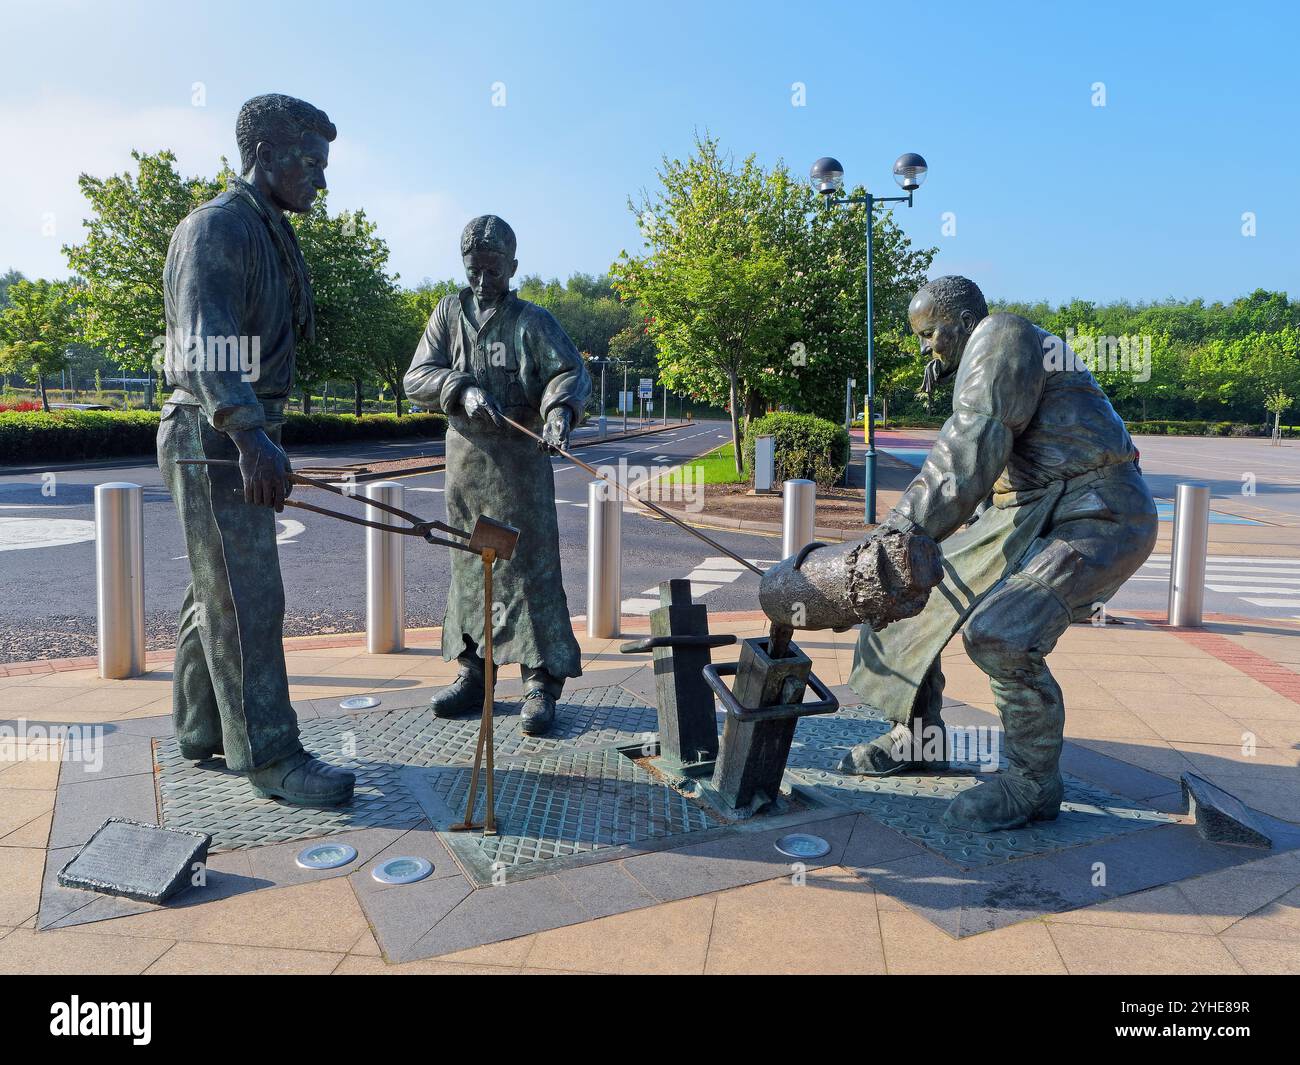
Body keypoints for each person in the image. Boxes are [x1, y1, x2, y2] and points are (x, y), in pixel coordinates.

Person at [842, 275, 1157, 832]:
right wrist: (902, 551)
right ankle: (919, 739)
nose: (926, 348)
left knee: (1001, 632)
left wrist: (895, 530)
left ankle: (1032, 783)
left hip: (1096, 513)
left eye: (931, 333)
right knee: (903, 600)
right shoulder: (985, 355)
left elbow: (970, 450)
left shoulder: (1001, 335)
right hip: (1024, 513)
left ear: (964, 321)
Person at [156, 94, 354, 806]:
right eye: (312, 163)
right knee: (248, 595)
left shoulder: (268, 229)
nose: (321, 183)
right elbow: (204, 341)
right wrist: (247, 433)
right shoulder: (219, 227)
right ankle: (268, 753)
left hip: (237, 425)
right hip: (214, 428)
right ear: (266, 155)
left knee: (214, 585)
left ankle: (199, 724)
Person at [403, 215, 591, 735]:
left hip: (520, 470)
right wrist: (459, 388)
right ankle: (474, 670)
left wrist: (558, 411)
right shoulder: (447, 313)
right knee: (473, 568)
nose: (483, 279)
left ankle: (540, 679)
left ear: (512, 267)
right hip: (467, 468)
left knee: (528, 569)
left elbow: (569, 371)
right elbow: (416, 376)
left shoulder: (532, 320)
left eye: (493, 269)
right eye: (474, 269)